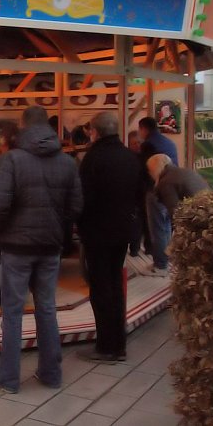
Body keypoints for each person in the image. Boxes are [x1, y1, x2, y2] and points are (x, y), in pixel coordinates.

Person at [0, 106, 83, 394]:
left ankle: (9, 378)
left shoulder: (11, 160)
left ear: (24, 126)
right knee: (47, 308)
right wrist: (56, 226)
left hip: (17, 246)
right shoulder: (67, 162)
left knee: (13, 312)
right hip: (50, 245)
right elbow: (76, 207)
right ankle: (51, 374)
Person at [77, 112, 142, 363]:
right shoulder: (129, 157)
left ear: (95, 132)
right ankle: (119, 343)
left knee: (101, 288)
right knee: (115, 286)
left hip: (97, 232)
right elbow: (139, 196)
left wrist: (78, 224)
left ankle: (106, 346)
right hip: (122, 232)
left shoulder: (93, 159)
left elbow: (85, 198)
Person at [138, 117, 179, 276]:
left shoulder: (149, 145)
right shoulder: (169, 142)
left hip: (155, 189)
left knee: (158, 228)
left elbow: (145, 170)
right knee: (166, 226)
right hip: (171, 188)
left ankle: (161, 264)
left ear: (144, 129)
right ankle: (166, 261)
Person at [147, 154, 210, 219]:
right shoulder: (185, 171)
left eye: (150, 170)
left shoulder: (166, 182)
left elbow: (174, 213)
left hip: (197, 218)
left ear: (154, 170)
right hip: (210, 212)